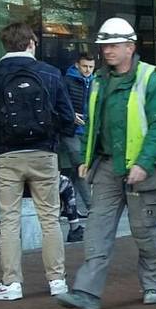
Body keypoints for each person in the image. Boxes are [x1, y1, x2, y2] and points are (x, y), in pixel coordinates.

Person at [56, 19, 156, 309]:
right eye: (104, 45)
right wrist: (85, 158)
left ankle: (153, 284)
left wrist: (144, 163)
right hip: (107, 165)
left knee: (145, 231)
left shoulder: (149, 78)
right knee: (97, 228)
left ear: (130, 47)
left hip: (141, 169)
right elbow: (93, 124)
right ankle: (86, 292)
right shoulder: (98, 80)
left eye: (113, 45)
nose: (106, 50)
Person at [0, 23, 76, 301]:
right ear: (31, 42)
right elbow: (67, 119)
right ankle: (57, 280)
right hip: (44, 154)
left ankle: (12, 283)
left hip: (7, 155)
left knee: (9, 219)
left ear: (4, 43)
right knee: (50, 218)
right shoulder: (51, 73)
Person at [60, 53, 95, 234]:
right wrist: (71, 116)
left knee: (72, 172)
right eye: (84, 67)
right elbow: (60, 103)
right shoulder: (67, 81)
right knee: (81, 167)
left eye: (91, 67)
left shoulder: (96, 82)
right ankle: (92, 206)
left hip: (87, 132)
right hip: (71, 131)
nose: (88, 70)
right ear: (77, 65)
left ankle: (66, 206)